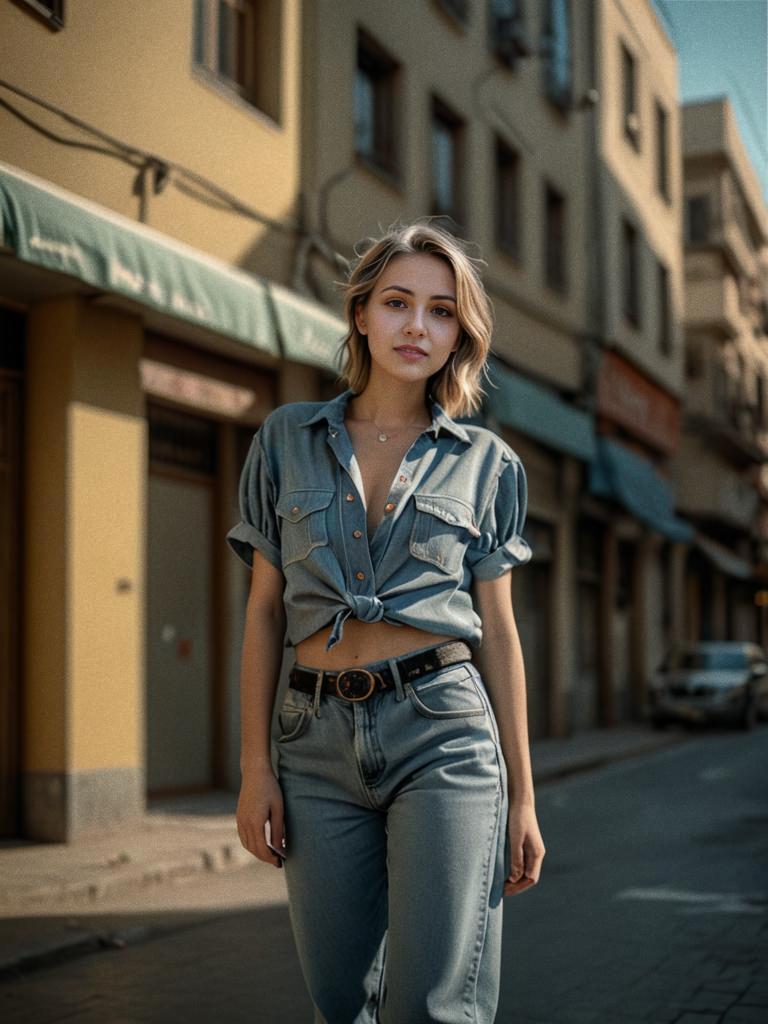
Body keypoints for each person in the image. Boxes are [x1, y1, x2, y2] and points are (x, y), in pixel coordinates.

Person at [226, 220, 546, 1023]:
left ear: (458, 335)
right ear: (361, 314)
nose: (417, 326)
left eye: (441, 312)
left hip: (443, 732)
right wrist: (254, 766)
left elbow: (498, 636)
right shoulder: (284, 442)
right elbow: (264, 614)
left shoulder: (487, 463)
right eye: (398, 303)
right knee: (340, 1001)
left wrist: (525, 799)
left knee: (430, 1006)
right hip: (313, 740)